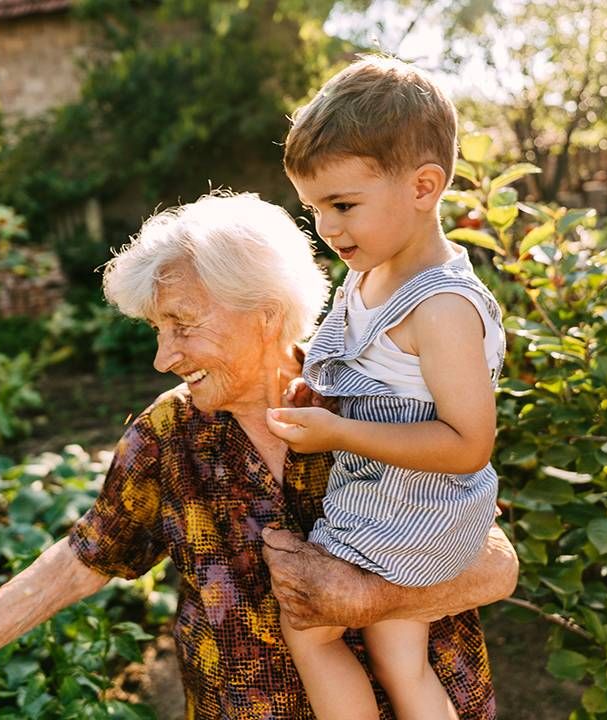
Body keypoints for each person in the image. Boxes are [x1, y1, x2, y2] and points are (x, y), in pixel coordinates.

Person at [0, 192, 517, 720]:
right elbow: (83, 558)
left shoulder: (371, 398)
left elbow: (496, 563)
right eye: (156, 328)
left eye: (182, 324)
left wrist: (370, 597)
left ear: (265, 312)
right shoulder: (170, 439)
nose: (165, 356)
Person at [265, 56, 506, 720]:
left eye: (343, 205)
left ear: (424, 186)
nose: (329, 228)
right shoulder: (371, 272)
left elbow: (468, 445)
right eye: (314, 209)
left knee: (308, 629)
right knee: (401, 659)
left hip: (416, 505)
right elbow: (367, 364)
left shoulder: (442, 309)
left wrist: (339, 431)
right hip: (398, 496)